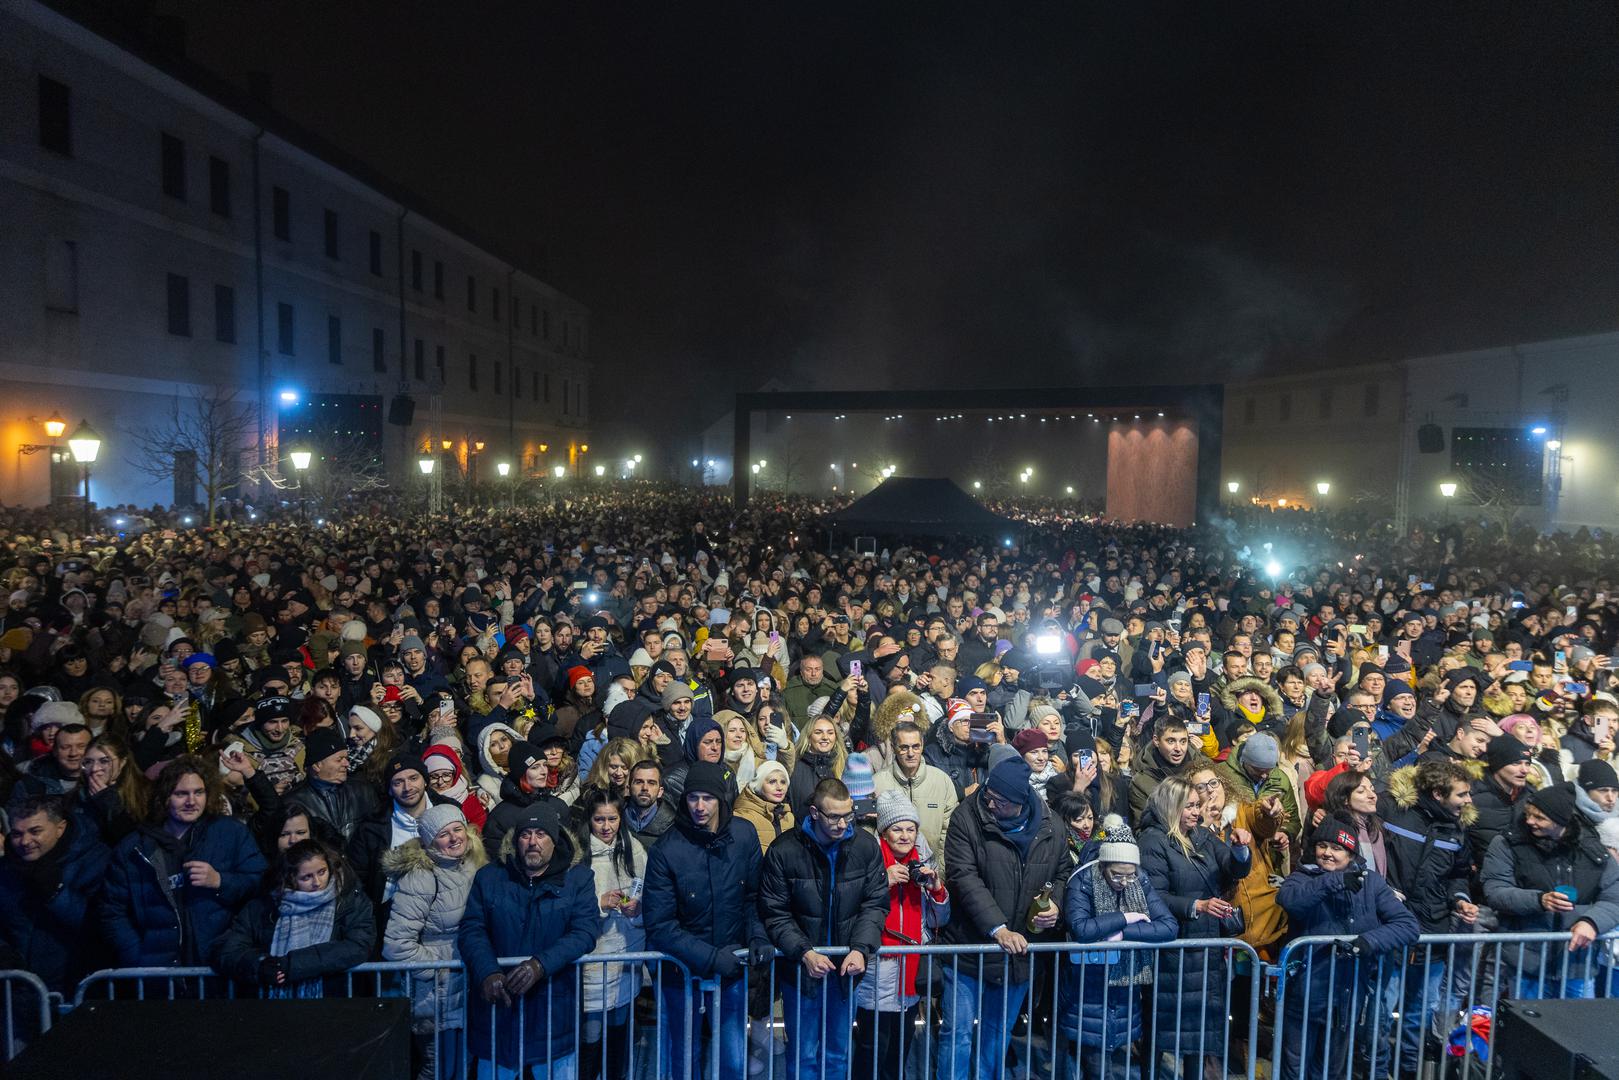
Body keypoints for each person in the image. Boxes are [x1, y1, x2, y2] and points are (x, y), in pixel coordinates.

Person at [934, 756, 1065, 1080]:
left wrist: (1056, 907)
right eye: (989, 794)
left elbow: (1062, 874)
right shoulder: (967, 817)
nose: (989, 802)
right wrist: (998, 928)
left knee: (996, 1036)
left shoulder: (1052, 825)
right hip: (968, 949)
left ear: (1021, 803)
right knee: (958, 1033)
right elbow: (963, 877)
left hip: (1019, 954)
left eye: (1000, 801)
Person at [643, 761, 771, 1080]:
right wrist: (712, 959)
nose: (700, 807)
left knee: (732, 1056)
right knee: (685, 1057)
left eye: (708, 798)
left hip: (732, 966)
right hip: (682, 971)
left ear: (721, 799)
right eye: (693, 798)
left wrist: (757, 935)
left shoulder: (743, 834)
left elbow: (755, 896)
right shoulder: (667, 849)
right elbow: (660, 924)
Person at [758, 777, 889, 1080]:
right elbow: (774, 912)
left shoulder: (866, 847)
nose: (843, 823)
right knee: (803, 1055)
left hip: (846, 973)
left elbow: (875, 904)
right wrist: (804, 952)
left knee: (837, 1054)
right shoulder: (784, 850)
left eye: (848, 815)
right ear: (815, 812)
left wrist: (861, 948)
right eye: (834, 816)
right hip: (802, 973)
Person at [459, 800, 599, 1080]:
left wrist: (539, 965)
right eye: (525, 834)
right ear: (516, 840)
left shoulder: (578, 879)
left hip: (552, 1006)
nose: (533, 842)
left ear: (555, 840)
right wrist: (487, 971)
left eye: (541, 834)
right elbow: (473, 929)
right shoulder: (490, 877)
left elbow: (584, 931)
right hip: (499, 1008)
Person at [1276, 814, 1420, 1079]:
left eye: (1337, 848)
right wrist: (1336, 881)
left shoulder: (1372, 882)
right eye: (1322, 846)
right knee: (1294, 1070)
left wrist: (1369, 941)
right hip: (1306, 994)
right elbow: (1291, 901)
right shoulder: (1302, 877)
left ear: (1352, 854)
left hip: (1347, 995)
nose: (1327, 853)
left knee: (1331, 1071)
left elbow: (1408, 925)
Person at [101, 755, 267, 967]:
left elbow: (261, 883)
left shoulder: (231, 833)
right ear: (164, 797)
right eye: (181, 794)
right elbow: (113, 912)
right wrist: (138, 957)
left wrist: (220, 881)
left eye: (199, 792)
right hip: (157, 974)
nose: (191, 801)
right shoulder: (134, 847)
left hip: (219, 966)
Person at [1138, 775, 1251, 1080]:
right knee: (1161, 1029)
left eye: (1197, 805)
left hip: (1205, 950)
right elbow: (1153, 895)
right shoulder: (1153, 840)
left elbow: (1231, 866)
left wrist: (1241, 851)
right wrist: (1196, 906)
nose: (1196, 812)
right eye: (1189, 805)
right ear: (1171, 805)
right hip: (1172, 949)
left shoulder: (1201, 835)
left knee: (1199, 1032)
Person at [1058, 815, 1177, 1080]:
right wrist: (1124, 916)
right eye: (1117, 875)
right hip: (1086, 985)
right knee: (1094, 1062)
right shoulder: (1084, 880)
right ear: (1104, 865)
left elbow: (1169, 926)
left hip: (1123, 986)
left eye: (1130, 875)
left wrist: (1123, 932)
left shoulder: (1140, 880)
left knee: (1102, 1059)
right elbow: (1082, 928)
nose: (1124, 882)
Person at [1481, 781, 1619, 1000]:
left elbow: (1614, 897)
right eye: (1528, 814)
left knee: (1576, 1031)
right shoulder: (1508, 844)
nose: (1529, 821)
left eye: (1539, 818)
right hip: (1527, 963)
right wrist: (1539, 900)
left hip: (1576, 965)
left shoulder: (1593, 851)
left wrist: (1592, 922)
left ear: (1561, 821)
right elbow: (1496, 890)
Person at [383, 803, 488, 1080]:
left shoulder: (475, 866)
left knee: (463, 1067)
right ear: (430, 841)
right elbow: (397, 945)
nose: (454, 838)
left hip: (468, 985)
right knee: (438, 1068)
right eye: (444, 834)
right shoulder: (421, 876)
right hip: (435, 992)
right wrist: (439, 969)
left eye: (458, 829)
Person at [851, 790, 951, 1080]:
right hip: (877, 968)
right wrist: (884, 879)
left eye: (911, 829)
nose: (905, 836)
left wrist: (936, 890)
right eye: (897, 829)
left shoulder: (923, 861)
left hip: (910, 971)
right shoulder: (869, 858)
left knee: (901, 1047)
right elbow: (853, 907)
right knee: (871, 1046)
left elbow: (939, 919)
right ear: (884, 831)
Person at [212, 838, 375, 997]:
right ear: (290, 878)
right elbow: (227, 950)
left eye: (322, 872)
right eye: (307, 877)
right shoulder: (263, 907)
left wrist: (294, 964)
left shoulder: (350, 902)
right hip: (273, 1010)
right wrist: (260, 965)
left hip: (333, 1003)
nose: (317, 882)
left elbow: (358, 945)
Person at [0, 794, 111, 991]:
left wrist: (57, 893)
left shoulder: (95, 860)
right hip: (17, 990)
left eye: (35, 831)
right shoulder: (6, 869)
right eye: (17, 834)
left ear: (60, 828)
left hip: (76, 988)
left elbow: (99, 923)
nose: (25, 841)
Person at [575, 787, 648, 1080]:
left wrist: (637, 909)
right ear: (589, 821)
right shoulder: (578, 855)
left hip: (626, 952)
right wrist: (600, 903)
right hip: (592, 957)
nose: (606, 827)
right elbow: (569, 909)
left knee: (620, 1029)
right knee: (591, 1034)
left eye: (612, 819)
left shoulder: (634, 849)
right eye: (599, 820)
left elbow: (646, 894)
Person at [282, 724, 383, 842]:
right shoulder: (293, 802)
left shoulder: (363, 791)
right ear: (317, 765)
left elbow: (378, 832)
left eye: (346, 758)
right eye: (339, 759)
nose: (347, 764)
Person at [732, 758, 796, 853]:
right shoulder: (743, 816)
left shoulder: (788, 817)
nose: (779, 787)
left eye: (783, 782)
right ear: (758, 785)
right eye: (772, 782)